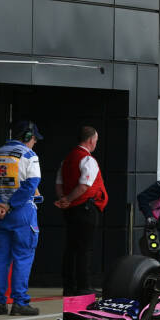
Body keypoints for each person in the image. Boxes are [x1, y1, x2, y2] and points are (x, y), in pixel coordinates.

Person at [0, 120, 44, 315]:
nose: (35, 143)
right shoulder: (30, 156)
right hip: (22, 213)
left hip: (0, 215)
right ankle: (20, 303)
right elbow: (31, 185)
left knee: (1, 259)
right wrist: (10, 205)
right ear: (28, 137)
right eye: (34, 138)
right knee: (23, 257)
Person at [55, 126, 108, 297]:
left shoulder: (67, 159)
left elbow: (59, 183)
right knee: (85, 249)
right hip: (85, 208)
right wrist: (69, 199)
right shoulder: (87, 160)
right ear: (91, 140)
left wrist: (64, 199)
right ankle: (84, 286)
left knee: (71, 248)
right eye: (96, 140)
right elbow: (85, 185)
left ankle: (69, 286)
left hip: (70, 210)